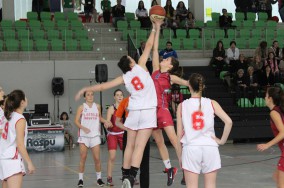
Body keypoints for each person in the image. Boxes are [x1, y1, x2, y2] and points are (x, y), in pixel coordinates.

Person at [75, 19, 160, 188]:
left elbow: (103, 86)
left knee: (129, 145)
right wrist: (154, 28)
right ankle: (131, 177)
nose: (133, 57)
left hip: (134, 111)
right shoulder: (141, 66)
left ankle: (125, 175)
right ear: (130, 63)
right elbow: (149, 46)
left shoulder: (124, 77)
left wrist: (85, 87)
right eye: (130, 57)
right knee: (140, 147)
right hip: (148, 110)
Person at [176, 73, 232, 188]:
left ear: (189, 86)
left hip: (191, 148)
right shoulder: (212, 103)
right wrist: (221, 141)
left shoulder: (182, 105)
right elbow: (229, 122)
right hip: (210, 147)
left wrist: (180, 156)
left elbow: (178, 135)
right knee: (210, 185)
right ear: (203, 87)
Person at [151, 19, 188, 186]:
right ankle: (169, 169)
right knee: (159, 141)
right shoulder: (155, 71)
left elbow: (188, 83)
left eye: (166, 59)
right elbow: (154, 48)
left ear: (170, 65)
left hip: (163, 110)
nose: (163, 58)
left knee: (173, 140)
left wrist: (195, 85)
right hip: (151, 111)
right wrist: (156, 28)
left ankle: (186, 170)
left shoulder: (170, 77)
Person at [257, 87, 284, 188]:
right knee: (277, 177)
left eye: (266, 96)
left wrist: (267, 145)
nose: (264, 98)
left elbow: (283, 133)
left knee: (282, 184)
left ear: (270, 98)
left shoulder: (274, 112)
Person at [74, 90, 111, 187]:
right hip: (84, 136)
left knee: (97, 159)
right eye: (88, 95)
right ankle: (80, 180)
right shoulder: (81, 107)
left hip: (94, 135)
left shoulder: (97, 106)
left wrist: (106, 121)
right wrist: (83, 128)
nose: (90, 96)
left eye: (92, 94)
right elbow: (76, 121)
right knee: (83, 158)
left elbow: (99, 118)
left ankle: (99, 179)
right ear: (85, 97)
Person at [0, 90, 36, 188]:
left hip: (4, 158)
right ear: (22, 102)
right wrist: (29, 163)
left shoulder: (7, 116)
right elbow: (20, 144)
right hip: (12, 160)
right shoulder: (19, 119)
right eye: (25, 97)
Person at [115, 97, 150, 188]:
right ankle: (126, 183)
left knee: (144, 166)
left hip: (143, 133)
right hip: (130, 133)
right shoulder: (125, 101)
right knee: (127, 163)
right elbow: (117, 122)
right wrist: (128, 129)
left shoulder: (147, 100)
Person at [105, 89, 124, 186]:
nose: (119, 96)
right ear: (114, 97)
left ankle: (127, 176)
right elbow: (107, 121)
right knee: (112, 157)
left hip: (123, 133)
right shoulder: (111, 109)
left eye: (121, 95)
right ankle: (109, 177)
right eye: (117, 95)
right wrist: (108, 123)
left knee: (127, 156)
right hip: (112, 134)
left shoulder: (126, 107)